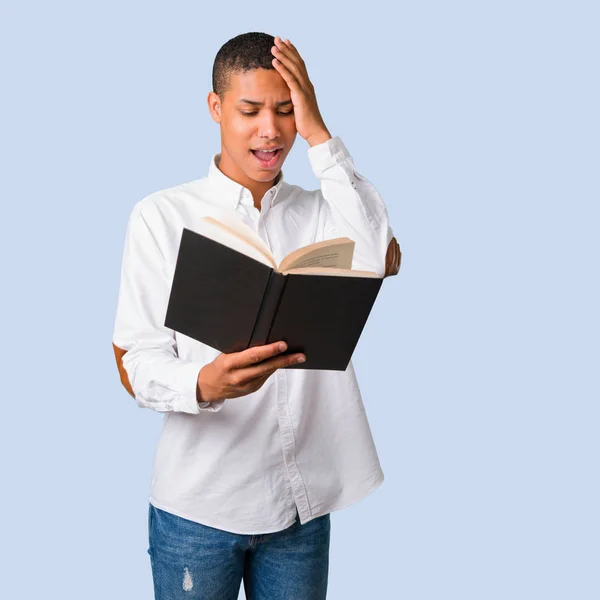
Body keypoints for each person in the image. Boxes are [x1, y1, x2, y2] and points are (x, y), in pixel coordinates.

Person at [112, 31, 401, 600]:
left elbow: (377, 252)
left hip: (301, 506)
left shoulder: (325, 212)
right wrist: (203, 381)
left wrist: (319, 131)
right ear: (216, 107)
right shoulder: (162, 216)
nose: (271, 130)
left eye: (287, 110)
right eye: (250, 110)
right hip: (198, 508)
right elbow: (134, 357)